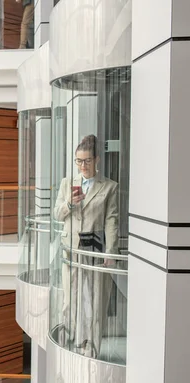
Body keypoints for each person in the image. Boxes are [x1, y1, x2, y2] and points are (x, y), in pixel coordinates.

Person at [53, 134, 119, 358]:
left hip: (94, 251)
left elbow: (111, 220)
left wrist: (110, 252)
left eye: (87, 161)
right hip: (71, 250)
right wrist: (70, 203)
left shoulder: (109, 187)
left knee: (93, 301)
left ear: (97, 159)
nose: (82, 166)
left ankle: (91, 347)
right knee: (70, 298)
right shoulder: (67, 183)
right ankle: (70, 340)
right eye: (78, 161)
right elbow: (57, 214)